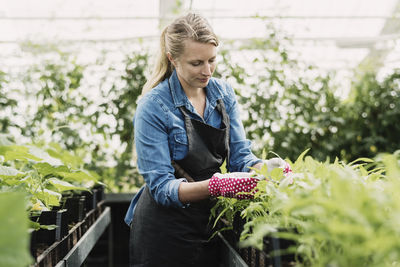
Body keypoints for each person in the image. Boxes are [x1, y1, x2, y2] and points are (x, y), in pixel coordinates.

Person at [124, 12, 290, 267]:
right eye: (196, 63)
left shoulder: (223, 94)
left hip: (209, 224)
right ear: (173, 59)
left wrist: (267, 170)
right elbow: (161, 187)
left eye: (212, 60)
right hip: (163, 231)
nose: (207, 70)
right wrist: (216, 186)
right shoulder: (154, 106)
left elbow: (240, 159)